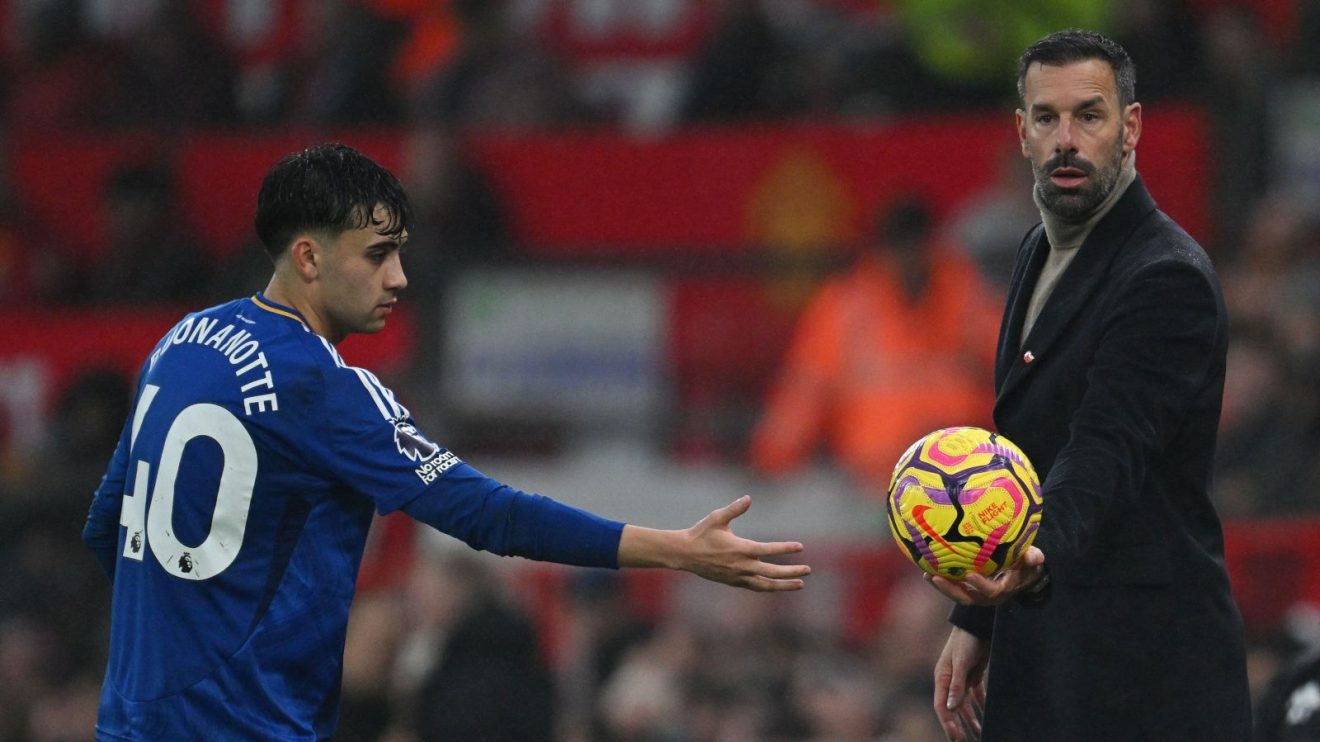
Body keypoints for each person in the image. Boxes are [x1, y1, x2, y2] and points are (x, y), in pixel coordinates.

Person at [81, 143, 810, 740]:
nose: (399, 276)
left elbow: (108, 523)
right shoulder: (324, 387)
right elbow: (487, 514)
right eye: (377, 255)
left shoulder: (179, 342)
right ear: (307, 257)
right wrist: (674, 549)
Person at [923, 30, 1252, 741]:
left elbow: (1105, 448)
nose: (1066, 139)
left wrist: (1027, 560)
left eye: (1089, 116)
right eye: (1047, 118)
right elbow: (1019, 453)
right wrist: (979, 616)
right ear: (1022, 132)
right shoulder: (1034, 250)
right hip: (1049, 644)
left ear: (1130, 127)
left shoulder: (1165, 275)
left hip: (1148, 673)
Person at [749, 196, 997, 493]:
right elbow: (804, 392)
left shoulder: (970, 299)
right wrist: (772, 457)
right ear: (882, 250)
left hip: (967, 485)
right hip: (870, 487)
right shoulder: (845, 307)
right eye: (899, 246)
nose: (909, 258)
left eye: (916, 244)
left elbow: (1018, 378)